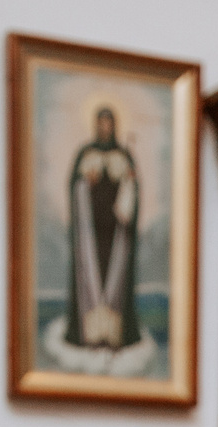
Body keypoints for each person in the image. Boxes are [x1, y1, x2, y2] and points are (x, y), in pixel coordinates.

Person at [67, 106, 138, 351]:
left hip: (115, 234)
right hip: (91, 234)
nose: (104, 128)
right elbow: (75, 188)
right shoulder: (86, 154)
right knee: (91, 275)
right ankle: (90, 334)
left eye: (109, 123)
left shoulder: (123, 155)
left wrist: (128, 182)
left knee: (115, 275)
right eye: (101, 123)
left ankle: (114, 334)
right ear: (96, 126)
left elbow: (132, 191)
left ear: (114, 126)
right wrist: (86, 182)